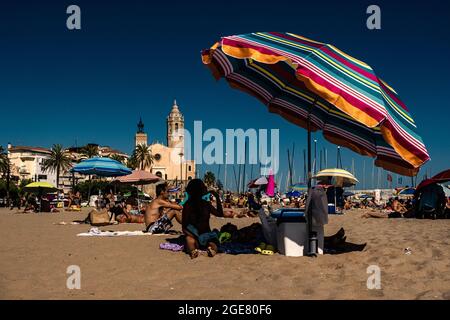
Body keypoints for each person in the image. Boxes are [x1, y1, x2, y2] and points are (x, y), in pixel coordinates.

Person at [182, 179, 224, 259]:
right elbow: (220, 214)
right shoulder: (206, 204)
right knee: (212, 242)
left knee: (189, 240)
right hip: (206, 235)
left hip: (194, 236)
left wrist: (195, 236)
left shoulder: (187, 205)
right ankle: (213, 250)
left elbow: (184, 227)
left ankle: (193, 251)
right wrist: (217, 197)